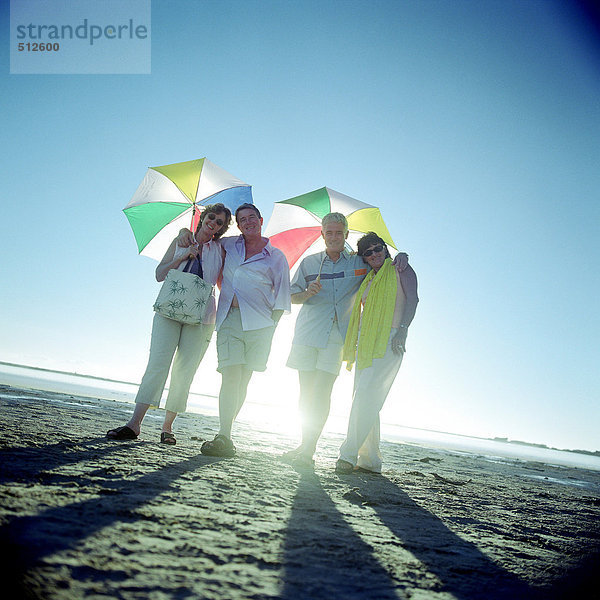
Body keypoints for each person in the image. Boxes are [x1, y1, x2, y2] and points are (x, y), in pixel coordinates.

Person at [282, 213, 409, 466]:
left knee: (322, 391)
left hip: (338, 337)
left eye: (339, 233)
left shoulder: (357, 262)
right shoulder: (309, 264)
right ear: (322, 234)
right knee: (305, 393)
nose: (334, 237)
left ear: (346, 235)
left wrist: (401, 256)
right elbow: (289, 297)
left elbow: (380, 263)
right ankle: (302, 444)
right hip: (307, 333)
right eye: (329, 232)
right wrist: (307, 293)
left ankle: (308, 450)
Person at [106, 203, 232, 445]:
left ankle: (167, 427)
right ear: (203, 217)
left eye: (219, 222)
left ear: (221, 228)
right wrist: (184, 255)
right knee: (157, 364)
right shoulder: (181, 241)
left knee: (185, 371)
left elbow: (221, 283)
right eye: (211, 217)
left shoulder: (220, 250)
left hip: (201, 317)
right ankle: (135, 424)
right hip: (168, 310)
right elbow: (159, 274)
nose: (213, 223)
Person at [178, 203, 291, 457]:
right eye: (242, 219)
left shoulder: (276, 257)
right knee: (230, 375)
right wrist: (184, 231)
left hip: (262, 324)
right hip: (229, 318)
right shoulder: (229, 244)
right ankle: (224, 434)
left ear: (261, 221)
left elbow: (282, 298)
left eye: (252, 217)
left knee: (243, 380)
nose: (248, 222)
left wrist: (272, 328)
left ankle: (226, 433)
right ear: (238, 225)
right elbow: (207, 238)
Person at [335, 231, 418, 474]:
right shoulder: (368, 278)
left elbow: (413, 300)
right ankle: (370, 460)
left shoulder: (401, 268)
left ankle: (347, 455)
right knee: (365, 399)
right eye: (367, 252)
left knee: (365, 398)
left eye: (377, 248)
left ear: (385, 248)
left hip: (390, 339)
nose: (374, 254)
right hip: (366, 341)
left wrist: (403, 330)